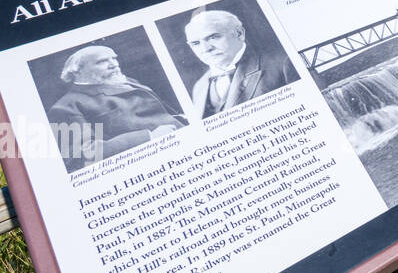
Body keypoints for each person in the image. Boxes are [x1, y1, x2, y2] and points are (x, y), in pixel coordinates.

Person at [49, 45, 186, 170]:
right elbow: (79, 156)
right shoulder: (64, 107)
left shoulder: (129, 82)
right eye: (102, 61)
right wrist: (149, 137)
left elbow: (160, 112)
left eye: (114, 58)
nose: (114, 65)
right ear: (78, 71)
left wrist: (181, 119)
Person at [184, 10, 297, 118]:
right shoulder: (199, 87)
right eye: (196, 43)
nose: (205, 49)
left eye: (213, 37)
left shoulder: (283, 63)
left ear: (239, 33)